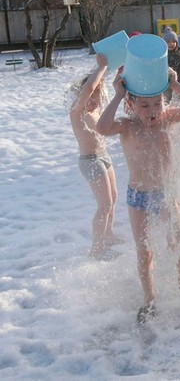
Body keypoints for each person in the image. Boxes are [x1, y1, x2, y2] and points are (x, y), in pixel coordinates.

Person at [96, 67, 180, 323]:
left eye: (157, 103)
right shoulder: (127, 126)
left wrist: (176, 86)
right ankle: (149, 298)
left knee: (179, 240)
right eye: (144, 106)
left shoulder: (167, 118)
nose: (153, 111)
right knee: (144, 250)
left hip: (166, 192)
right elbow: (102, 128)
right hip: (139, 198)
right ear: (131, 105)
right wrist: (116, 95)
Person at [69, 53, 119, 259]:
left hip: (103, 156)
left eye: (97, 96)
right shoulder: (77, 112)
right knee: (104, 204)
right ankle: (97, 248)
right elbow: (89, 88)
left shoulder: (97, 112)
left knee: (113, 199)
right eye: (89, 96)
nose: (93, 99)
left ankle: (108, 235)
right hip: (90, 161)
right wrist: (101, 68)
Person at [163, 27, 180, 103]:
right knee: (168, 103)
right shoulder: (163, 56)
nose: (171, 44)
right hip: (167, 87)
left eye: (173, 41)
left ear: (177, 43)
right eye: (168, 42)